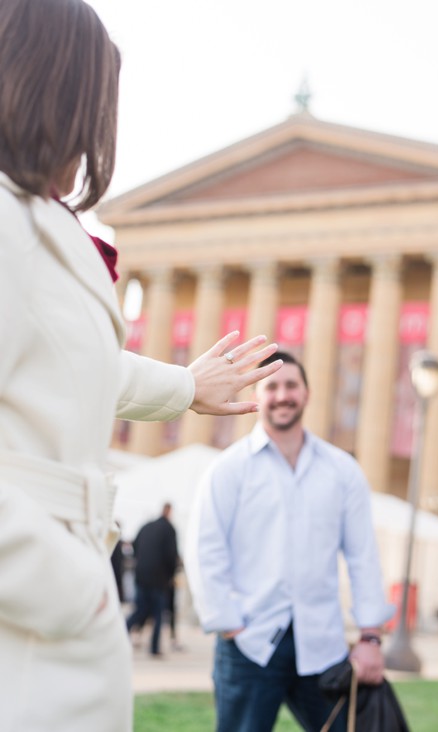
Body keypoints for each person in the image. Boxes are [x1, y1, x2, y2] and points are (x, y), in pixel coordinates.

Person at [0, 1, 282, 728]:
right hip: (33, 618)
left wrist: (188, 385)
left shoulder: (32, 219)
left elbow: (70, 366)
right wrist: (73, 588)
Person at [186, 352, 393, 732]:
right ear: (257, 396)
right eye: (272, 386)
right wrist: (230, 624)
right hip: (248, 643)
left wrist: (370, 636)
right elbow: (205, 550)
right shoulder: (228, 470)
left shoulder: (341, 470)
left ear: (307, 394)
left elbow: (363, 555)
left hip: (323, 643)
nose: (283, 395)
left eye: (291, 385)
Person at [125, 503, 179, 657]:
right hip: (158, 578)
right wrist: (170, 576)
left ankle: (121, 634)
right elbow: (171, 556)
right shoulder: (169, 529)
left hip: (141, 575)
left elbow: (134, 547)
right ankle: (154, 648)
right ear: (169, 512)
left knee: (139, 610)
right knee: (158, 614)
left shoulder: (146, 526)